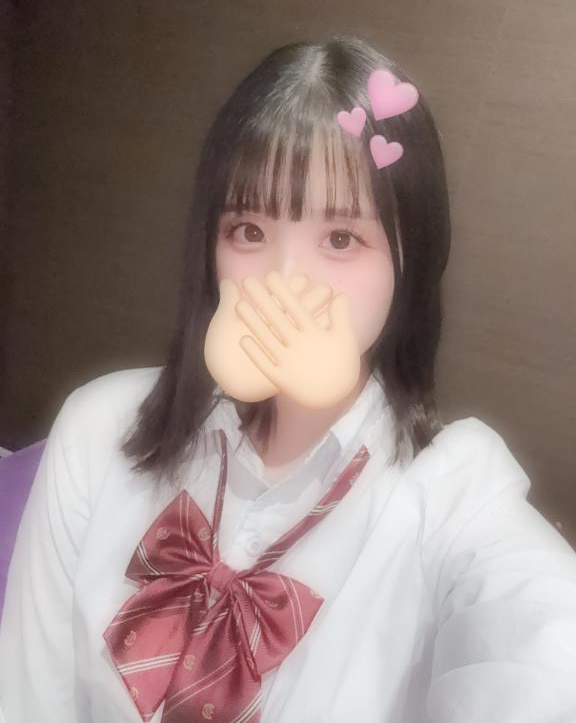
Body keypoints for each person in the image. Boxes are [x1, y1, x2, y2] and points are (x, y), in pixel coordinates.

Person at [1, 35, 576, 723]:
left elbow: (543, 639)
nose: (285, 281)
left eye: (341, 239)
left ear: (410, 264)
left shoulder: (452, 496)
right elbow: (27, 698)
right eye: (248, 230)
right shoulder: (99, 427)